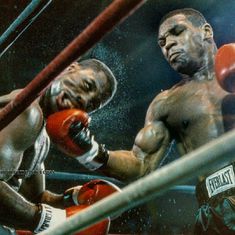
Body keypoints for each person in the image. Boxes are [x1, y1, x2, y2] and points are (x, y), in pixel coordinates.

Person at [63, 8, 235, 234]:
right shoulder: (166, 104)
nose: (169, 45)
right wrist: (90, 150)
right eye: (162, 42)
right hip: (216, 208)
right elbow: (140, 164)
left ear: (206, 31)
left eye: (177, 32)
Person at [0, 58, 118, 234]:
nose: (83, 100)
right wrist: (51, 221)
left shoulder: (42, 137)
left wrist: (73, 198)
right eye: (87, 86)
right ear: (70, 68)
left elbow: (35, 196)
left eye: (92, 105)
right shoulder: (28, 112)